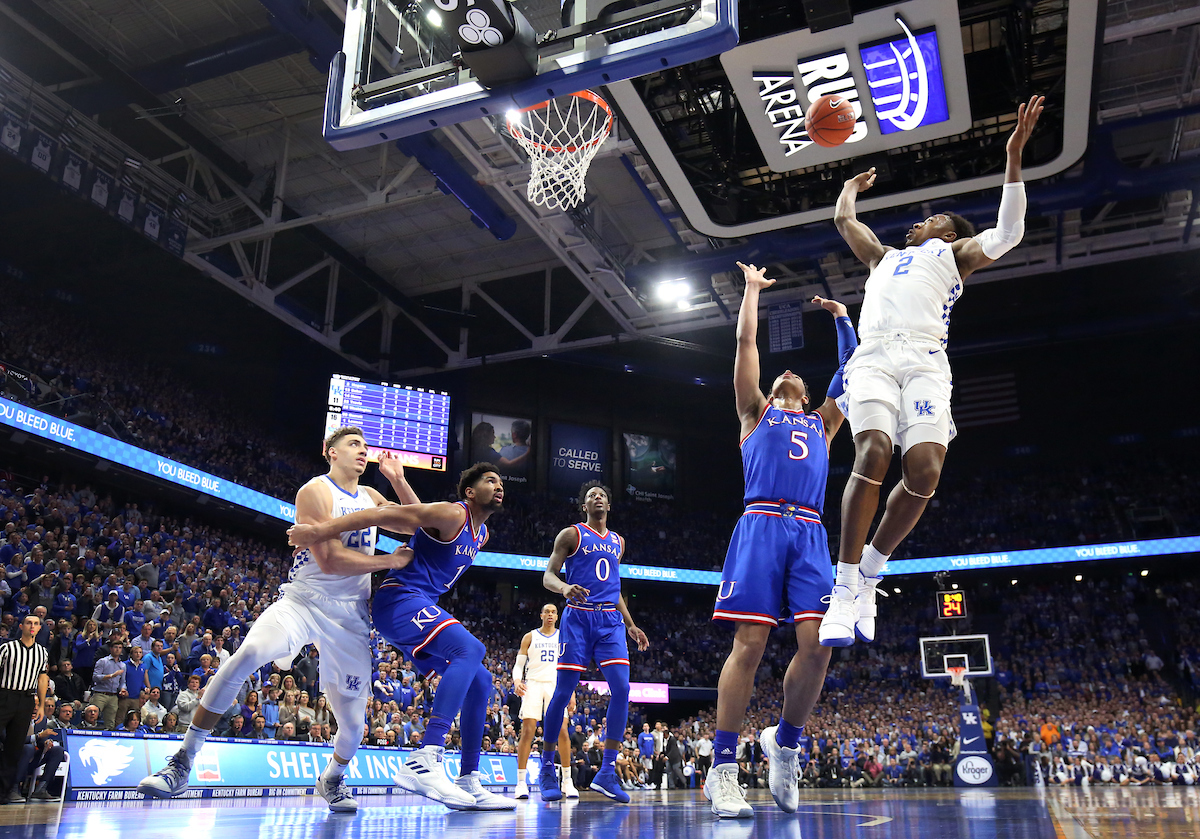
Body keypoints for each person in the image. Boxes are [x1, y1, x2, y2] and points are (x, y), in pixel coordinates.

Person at [820, 96, 1045, 647]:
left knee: (923, 473)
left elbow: (1009, 232)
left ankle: (872, 570)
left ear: (948, 233)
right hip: (871, 355)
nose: (921, 219)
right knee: (872, 450)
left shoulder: (953, 255)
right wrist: (851, 185)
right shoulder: (881, 256)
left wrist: (1014, 154)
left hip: (924, 359)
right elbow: (844, 219)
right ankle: (844, 584)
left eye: (934, 217)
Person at [138, 429, 414, 813]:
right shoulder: (315, 491)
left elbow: (420, 525)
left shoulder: (371, 497)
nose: (363, 452)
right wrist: (388, 560)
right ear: (330, 452)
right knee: (247, 654)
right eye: (354, 445)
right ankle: (182, 761)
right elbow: (331, 560)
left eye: (365, 448)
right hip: (304, 601)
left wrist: (399, 480)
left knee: (353, 726)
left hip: (350, 616)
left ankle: (332, 777)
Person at [703, 261, 855, 819]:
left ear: (808, 394)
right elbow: (745, 342)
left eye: (800, 381)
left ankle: (784, 745)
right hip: (762, 524)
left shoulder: (824, 423)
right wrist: (749, 291)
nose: (788, 376)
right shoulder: (754, 412)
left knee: (820, 646)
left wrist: (843, 322)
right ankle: (722, 769)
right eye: (779, 378)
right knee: (750, 644)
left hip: (811, 532)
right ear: (771, 391)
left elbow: (854, 369)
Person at [288, 461, 514, 812]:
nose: (498, 485)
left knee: (481, 680)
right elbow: (375, 516)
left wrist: (399, 479)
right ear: (470, 492)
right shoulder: (454, 513)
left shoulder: (480, 533)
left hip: (418, 603)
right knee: (471, 648)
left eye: (501, 482)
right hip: (399, 599)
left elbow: (419, 521)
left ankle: (468, 777)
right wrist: (318, 533)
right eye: (490, 480)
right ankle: (426, 756)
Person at [537, 481, 650, 804]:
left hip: (610, 623)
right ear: (584, 507)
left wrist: (630, 624)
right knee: (562, 693)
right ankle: (547, 767)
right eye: (590, 496)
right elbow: (548, 575)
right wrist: (563, 588)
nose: (597, 498)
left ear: (609, 506)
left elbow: (614, 588)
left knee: (623, 689)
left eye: (602, 495)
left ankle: (607, 772)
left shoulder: (618, 542)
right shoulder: (571, 535)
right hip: (578, 618)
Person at [512, 603, 577, 799]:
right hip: (533, 683)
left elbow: (570, 667)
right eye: (546, 611)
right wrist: (516, 680)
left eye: (553, 612)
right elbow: (519, 664)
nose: (550, 614)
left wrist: (571, 691)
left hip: (555, 685)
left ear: (557, 616)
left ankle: (567, 781)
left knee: (563, 730)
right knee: (528, 731)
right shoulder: (530, 636)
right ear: (541, 615)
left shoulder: (563, 636)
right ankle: (521, 783)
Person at [0, 615, 49, 803]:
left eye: (36, 623)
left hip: (26, 700)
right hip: (5, 695)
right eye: (29, 622)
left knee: (14, 748)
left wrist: (42, 705)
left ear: (39, 628)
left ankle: (4, 793)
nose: (32, 626)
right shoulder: (7, 648)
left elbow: (42, 679)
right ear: (21, 626)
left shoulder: (42, 653)